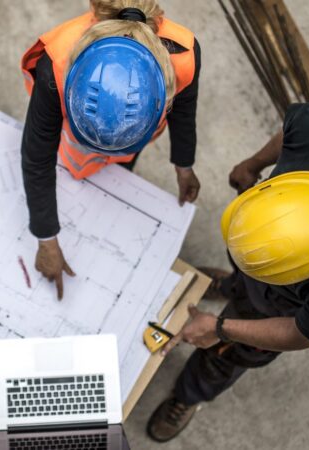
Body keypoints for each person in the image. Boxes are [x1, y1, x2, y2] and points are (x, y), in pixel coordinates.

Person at [146, 101, 309, 442]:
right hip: (278, 251)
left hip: (280, 309)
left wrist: (221, 328)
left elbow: (299, 333)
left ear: (307, 274)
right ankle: (233, 285)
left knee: (227, 354)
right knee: (244, 277)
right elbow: (289, 133)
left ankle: (189, 395)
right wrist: (254, 163)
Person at [20, 0, 202, 299]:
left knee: (118, 173)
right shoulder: (56, 67)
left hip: (134, 139)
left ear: (162, 98)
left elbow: (184, 111)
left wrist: (184, 164)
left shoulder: (184, 55)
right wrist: (46, 238)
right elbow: (38, 156)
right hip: (75, 148)